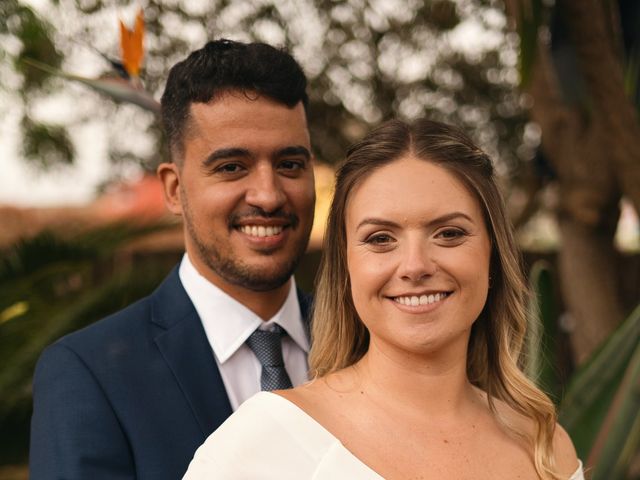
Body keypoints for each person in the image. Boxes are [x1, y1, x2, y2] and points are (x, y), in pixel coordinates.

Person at [183, 118, 585, 480]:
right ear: (348, 266)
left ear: (493, 253)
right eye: (380, 239)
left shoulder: (546, 447)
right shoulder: (263, 445)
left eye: (449, 233)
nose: (415, 265)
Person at [29, 39, 316, 480]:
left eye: (290, 164)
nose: (269, 195)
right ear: (174, 190)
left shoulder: (370, 340)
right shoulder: (90, 375)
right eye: (232, 167)